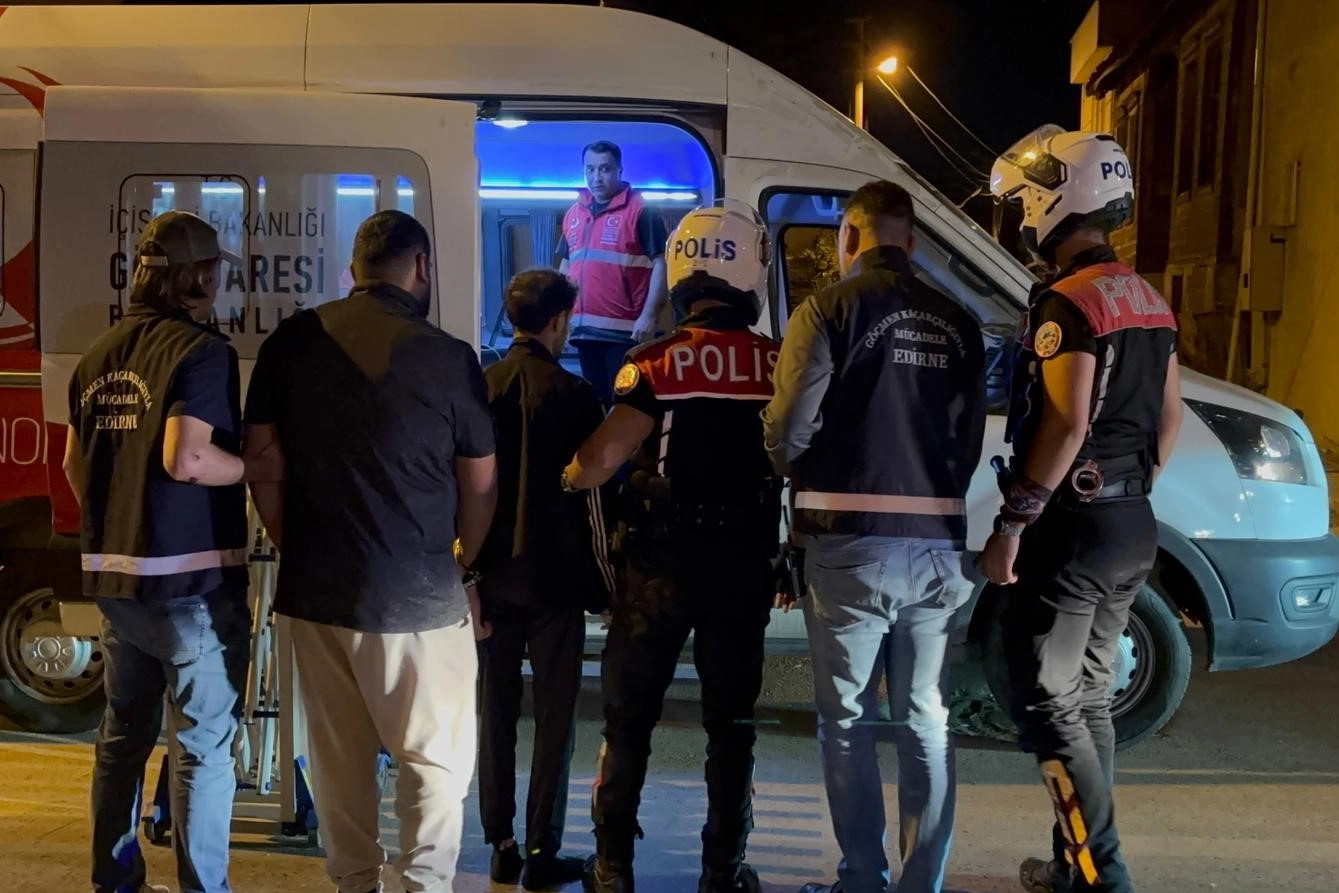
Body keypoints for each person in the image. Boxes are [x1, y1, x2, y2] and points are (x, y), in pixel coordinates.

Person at [241, 210, 498, 893]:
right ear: (421, 268)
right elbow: (480, 482)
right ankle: (423, 884)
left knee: (338, 759)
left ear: (353, 270)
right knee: (433, 761)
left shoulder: (291, 341)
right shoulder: (448, 356)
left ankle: (355, 882)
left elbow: (262, 461)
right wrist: (464, 563)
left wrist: (292, 543)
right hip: (418, 595)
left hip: (315, 592)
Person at [762, 181, 987, 893]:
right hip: (938, 545)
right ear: (911, 242)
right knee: (926, 718)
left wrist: (792, 464)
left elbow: (788, 426)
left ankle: (862, 877)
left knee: (848, 720)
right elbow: (969, 437)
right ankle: (922, 883)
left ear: (848, 238)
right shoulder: (959, 320)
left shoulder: (827, 308)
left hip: (849, 544)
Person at [981, 126, 1183, 893]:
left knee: (1047, 703)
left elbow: (1064, 423)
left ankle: (1104, 876)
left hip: (1072, 527)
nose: (1020, 217)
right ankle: (1073, 869)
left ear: (1055, 200)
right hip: (1130, 524)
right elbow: (1168, 418)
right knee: (1088, 696)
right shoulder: (1148, 299)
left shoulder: (1068, 302)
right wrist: (1129, 490)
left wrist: (1011, 524)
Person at [561, 200, 783, 893]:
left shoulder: (653, 362)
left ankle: (611, 867)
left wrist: (569, 475)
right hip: (742, 566)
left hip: (658, 567)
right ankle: (723, 869)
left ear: (683, 273)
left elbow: (598, 462)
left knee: (628, 720)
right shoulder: (777, 363)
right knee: (732, 727)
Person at [63, 211, 282, 893]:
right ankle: (202, 886)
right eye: (214, 271)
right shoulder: (201, 352)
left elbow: (74, 466)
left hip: (115, 580)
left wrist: (122, 523)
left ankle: (115, 878)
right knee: (203, 744)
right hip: (188, 585)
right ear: (197, 278)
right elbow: (187, 458)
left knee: (123, 734)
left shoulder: (97, 355)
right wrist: (257, 467)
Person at [476, 268, 616, 889]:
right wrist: (606, 585)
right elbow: (594, 502)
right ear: (558, 320)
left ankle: (501, 845)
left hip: (492, 578)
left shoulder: (482, 388)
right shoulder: (578, 395)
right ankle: (541, 851)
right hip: (557, 580)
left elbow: (463, 489)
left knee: (495, 712)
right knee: (555, 718)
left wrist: (467, 575)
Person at [556, 139, 670, 405]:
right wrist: (561, 318)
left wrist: (649, 316)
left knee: (624, 405)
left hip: (625, 333)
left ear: (619, 170)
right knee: (597, 405)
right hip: (583, 332)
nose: (596, 177)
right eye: (590, 169)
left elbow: (662, 263)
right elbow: (566, 267)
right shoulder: (574, 213)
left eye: (604, 169)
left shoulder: (641, 210)